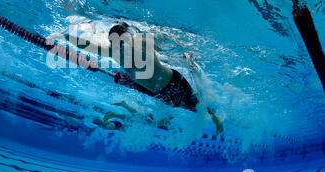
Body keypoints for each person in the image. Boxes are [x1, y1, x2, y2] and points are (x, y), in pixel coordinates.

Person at [50, 22, 224, 134]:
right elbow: (88, 47)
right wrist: (66, 36)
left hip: (174, 82)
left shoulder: (142, 42)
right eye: (115, 42)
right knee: (187, 108)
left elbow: (164, 42)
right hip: (160, 93)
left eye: (121, 40)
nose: (119, 45)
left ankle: (217, 118)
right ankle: (215, 117)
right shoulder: (113, 52)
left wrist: (180, 49)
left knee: (197, 104)